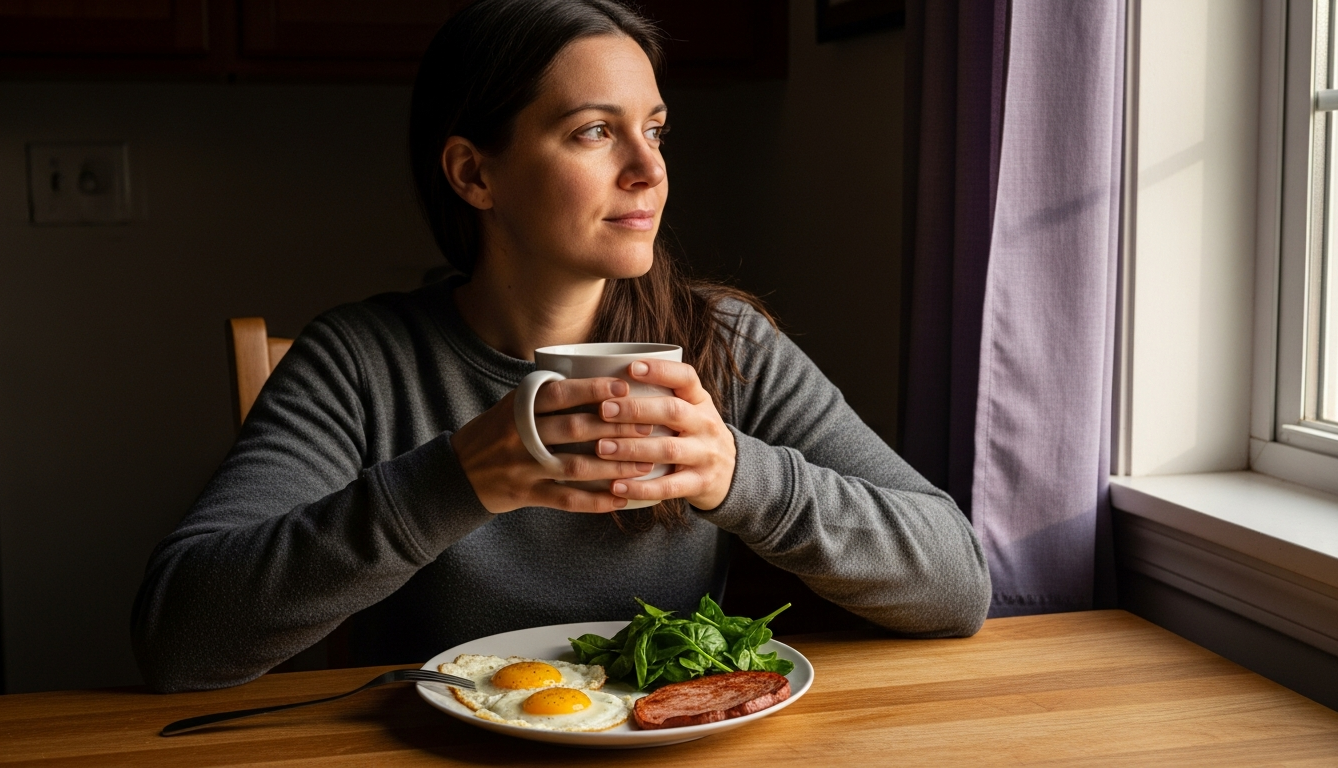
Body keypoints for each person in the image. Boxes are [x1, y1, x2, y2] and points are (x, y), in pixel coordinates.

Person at [131, 0, 991, 693]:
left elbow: (959, 585)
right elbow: (179, 638)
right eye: (592, 131)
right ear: (475, 174)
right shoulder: (362, 362)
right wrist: (455, 480)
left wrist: (739, 476)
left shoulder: (723, 346)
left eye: (654, 130)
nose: (649, 171)